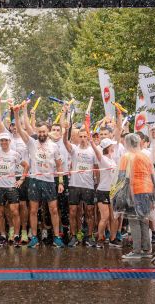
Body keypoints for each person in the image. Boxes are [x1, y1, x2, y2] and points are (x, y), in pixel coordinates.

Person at [13, 104, 65, 248]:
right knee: (33, 210)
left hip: (49, 181)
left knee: (53, 210)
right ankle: (34, 237)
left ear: (48, 132)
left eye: (44, 131)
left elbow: (59, 165)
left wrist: (61, 182)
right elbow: (20, 129)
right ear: (37, 132)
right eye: (40, 131)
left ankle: (56, 237)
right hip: (35, 180)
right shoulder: (32, 143)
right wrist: (16, 114)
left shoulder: (54, 146)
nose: (41, 134)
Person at [61, 104, 99, 248]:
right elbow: (65, 142)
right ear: (78, 137)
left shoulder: (92, 151)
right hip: (74, 185)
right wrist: (65, 131)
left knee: (89, 212)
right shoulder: (74, 149)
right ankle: (74, 236)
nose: (83, 139)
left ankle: (89, 237)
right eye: (80, 136)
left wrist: (97, 183)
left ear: (88, 137)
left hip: (88, 185)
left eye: (85, 136)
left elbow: (96, 169)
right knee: (73, 212)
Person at [117, 133, 155, 260]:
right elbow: (152, 176)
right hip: (147, 191)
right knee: (144, 220)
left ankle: (136, 250)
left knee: (134, 222)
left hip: (134, 191)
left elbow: (122, 177)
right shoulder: (144, 156)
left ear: (127, 143)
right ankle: (146, 249)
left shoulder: (127, 157)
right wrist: (153, 197)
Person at [0, 131, 27, 247]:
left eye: (5, 140)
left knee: (15, 211)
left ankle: (16, 235)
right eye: (1, 140)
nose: (3, 142)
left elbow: (26, 166)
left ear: (9, 141)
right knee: (0, 213)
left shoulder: (15, 154)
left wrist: (21, 179)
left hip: (11, 186)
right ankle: (3, 235)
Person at [89, 136, 118, 249]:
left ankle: (113, 239)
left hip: (113, 191)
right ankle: (100, 239)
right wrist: (92, 143)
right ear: (108, 147)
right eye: (112, 145)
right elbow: (98, 153)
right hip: (103, 191)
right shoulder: (103, 159)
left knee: (114, 217)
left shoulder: (112, 159)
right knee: (105, 217)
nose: (114, 146)